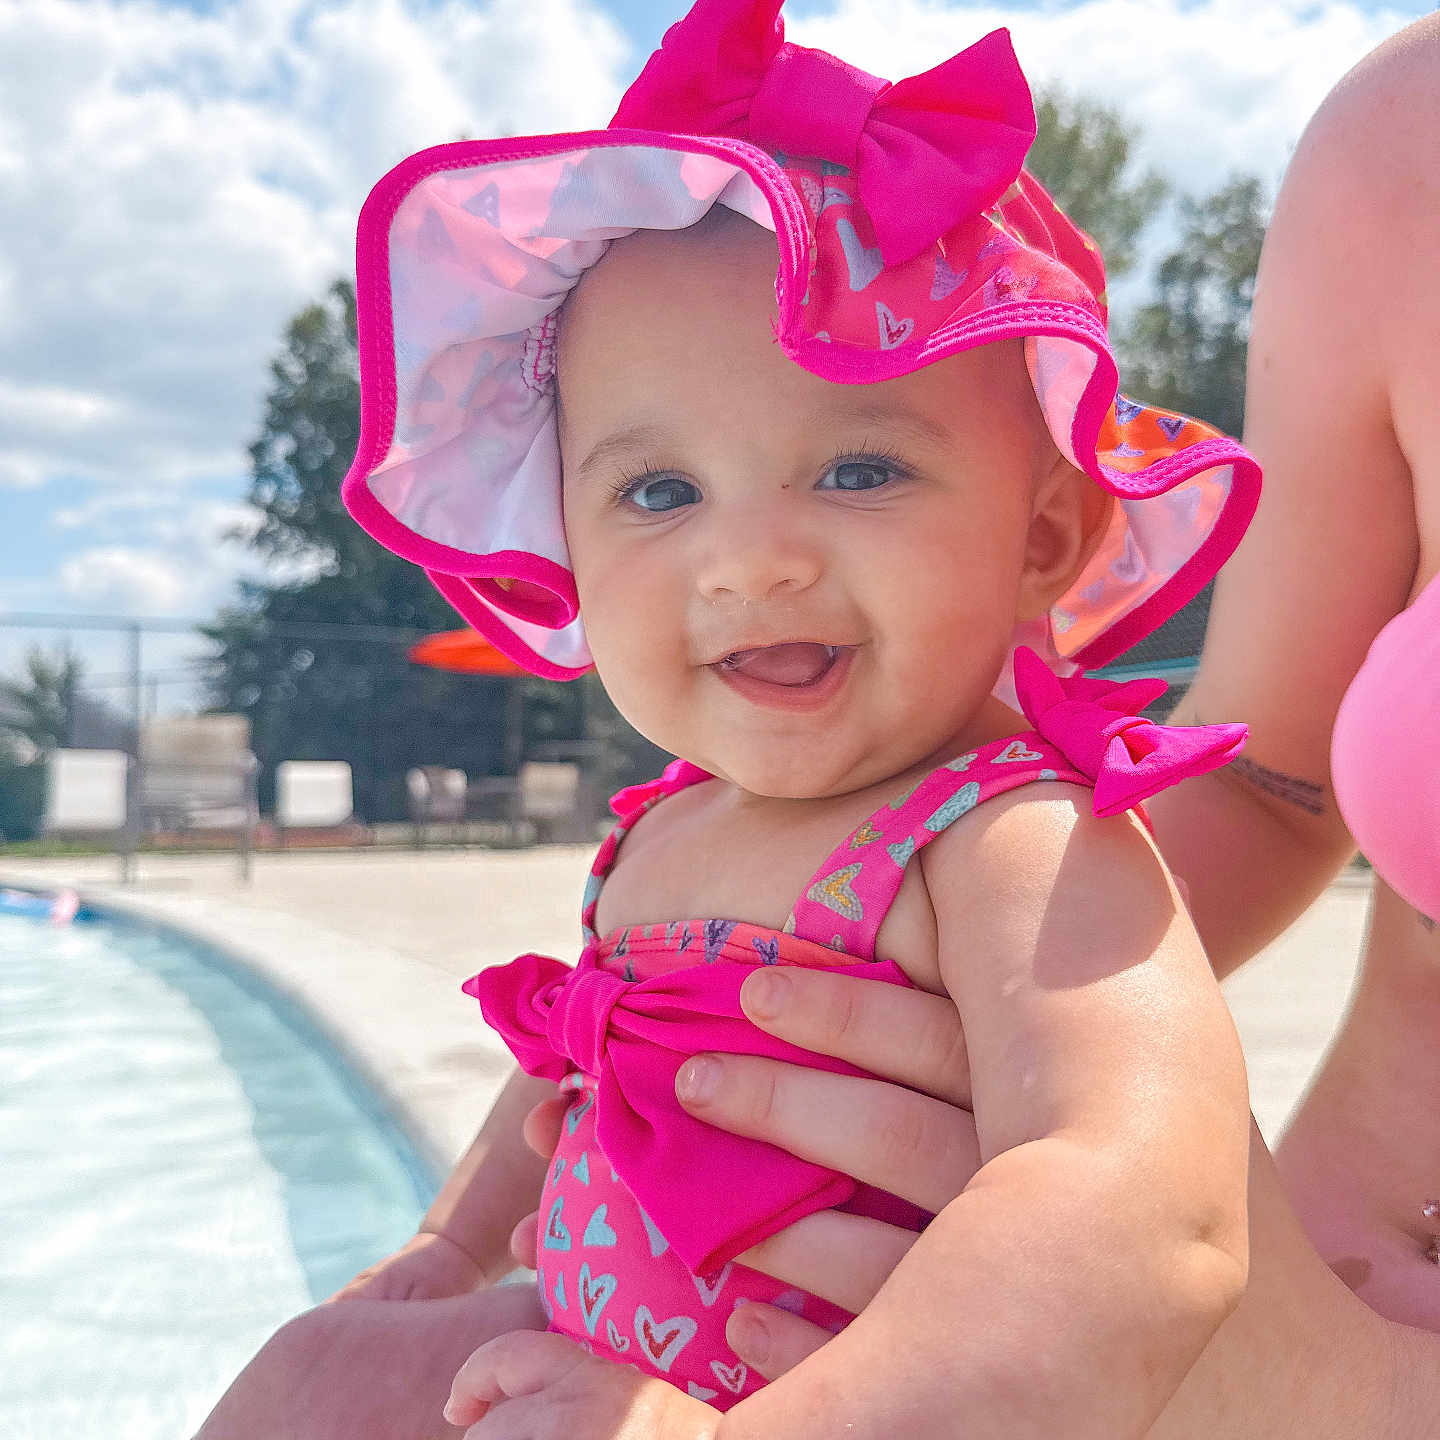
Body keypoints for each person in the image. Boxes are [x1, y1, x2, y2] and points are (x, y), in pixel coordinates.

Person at [305, 1, 1267, 1434]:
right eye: (658, 493)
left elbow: (1145, 1216)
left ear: (1044, 540)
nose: (747, 559)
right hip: (585, 1367)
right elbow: (572, 1072)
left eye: (862, 469)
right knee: (304, 1383)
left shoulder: (1003, 840)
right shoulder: (654, 832)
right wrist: (455, 1246)